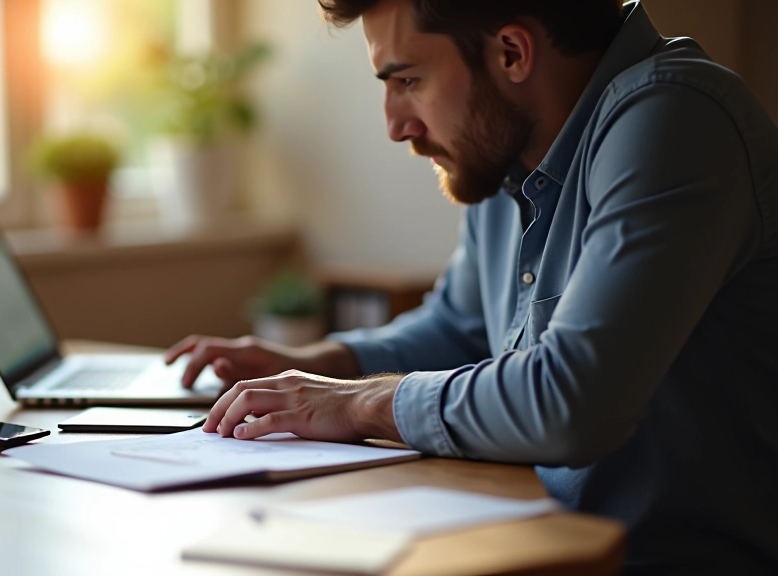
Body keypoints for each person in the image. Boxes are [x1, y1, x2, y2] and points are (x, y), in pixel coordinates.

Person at [165, 0, 778, 573]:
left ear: (511, 52)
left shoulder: (676, 118)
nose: (396, 126)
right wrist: (316, 367)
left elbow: (572, 401)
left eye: (408, 81)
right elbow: (458, 327)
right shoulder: (509, 149)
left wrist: (355, 403)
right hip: (535, 539)